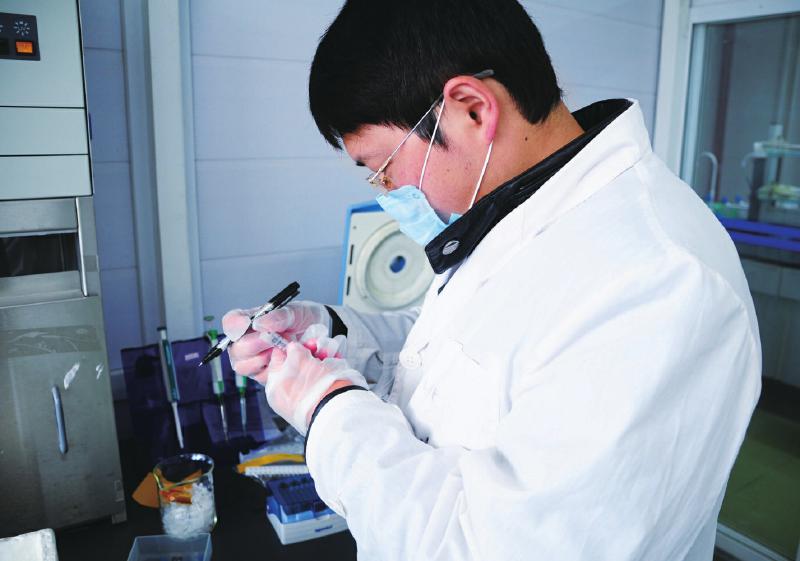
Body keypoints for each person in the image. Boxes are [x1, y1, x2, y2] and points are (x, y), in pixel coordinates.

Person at [222, 1, 762, 559]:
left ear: (473, 110)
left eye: (383, 169)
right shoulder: (522, 204)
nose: (387, 195)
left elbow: (497, 548)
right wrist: (334, 333)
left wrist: (329, 410)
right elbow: (465, 348)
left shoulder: (661, 284)